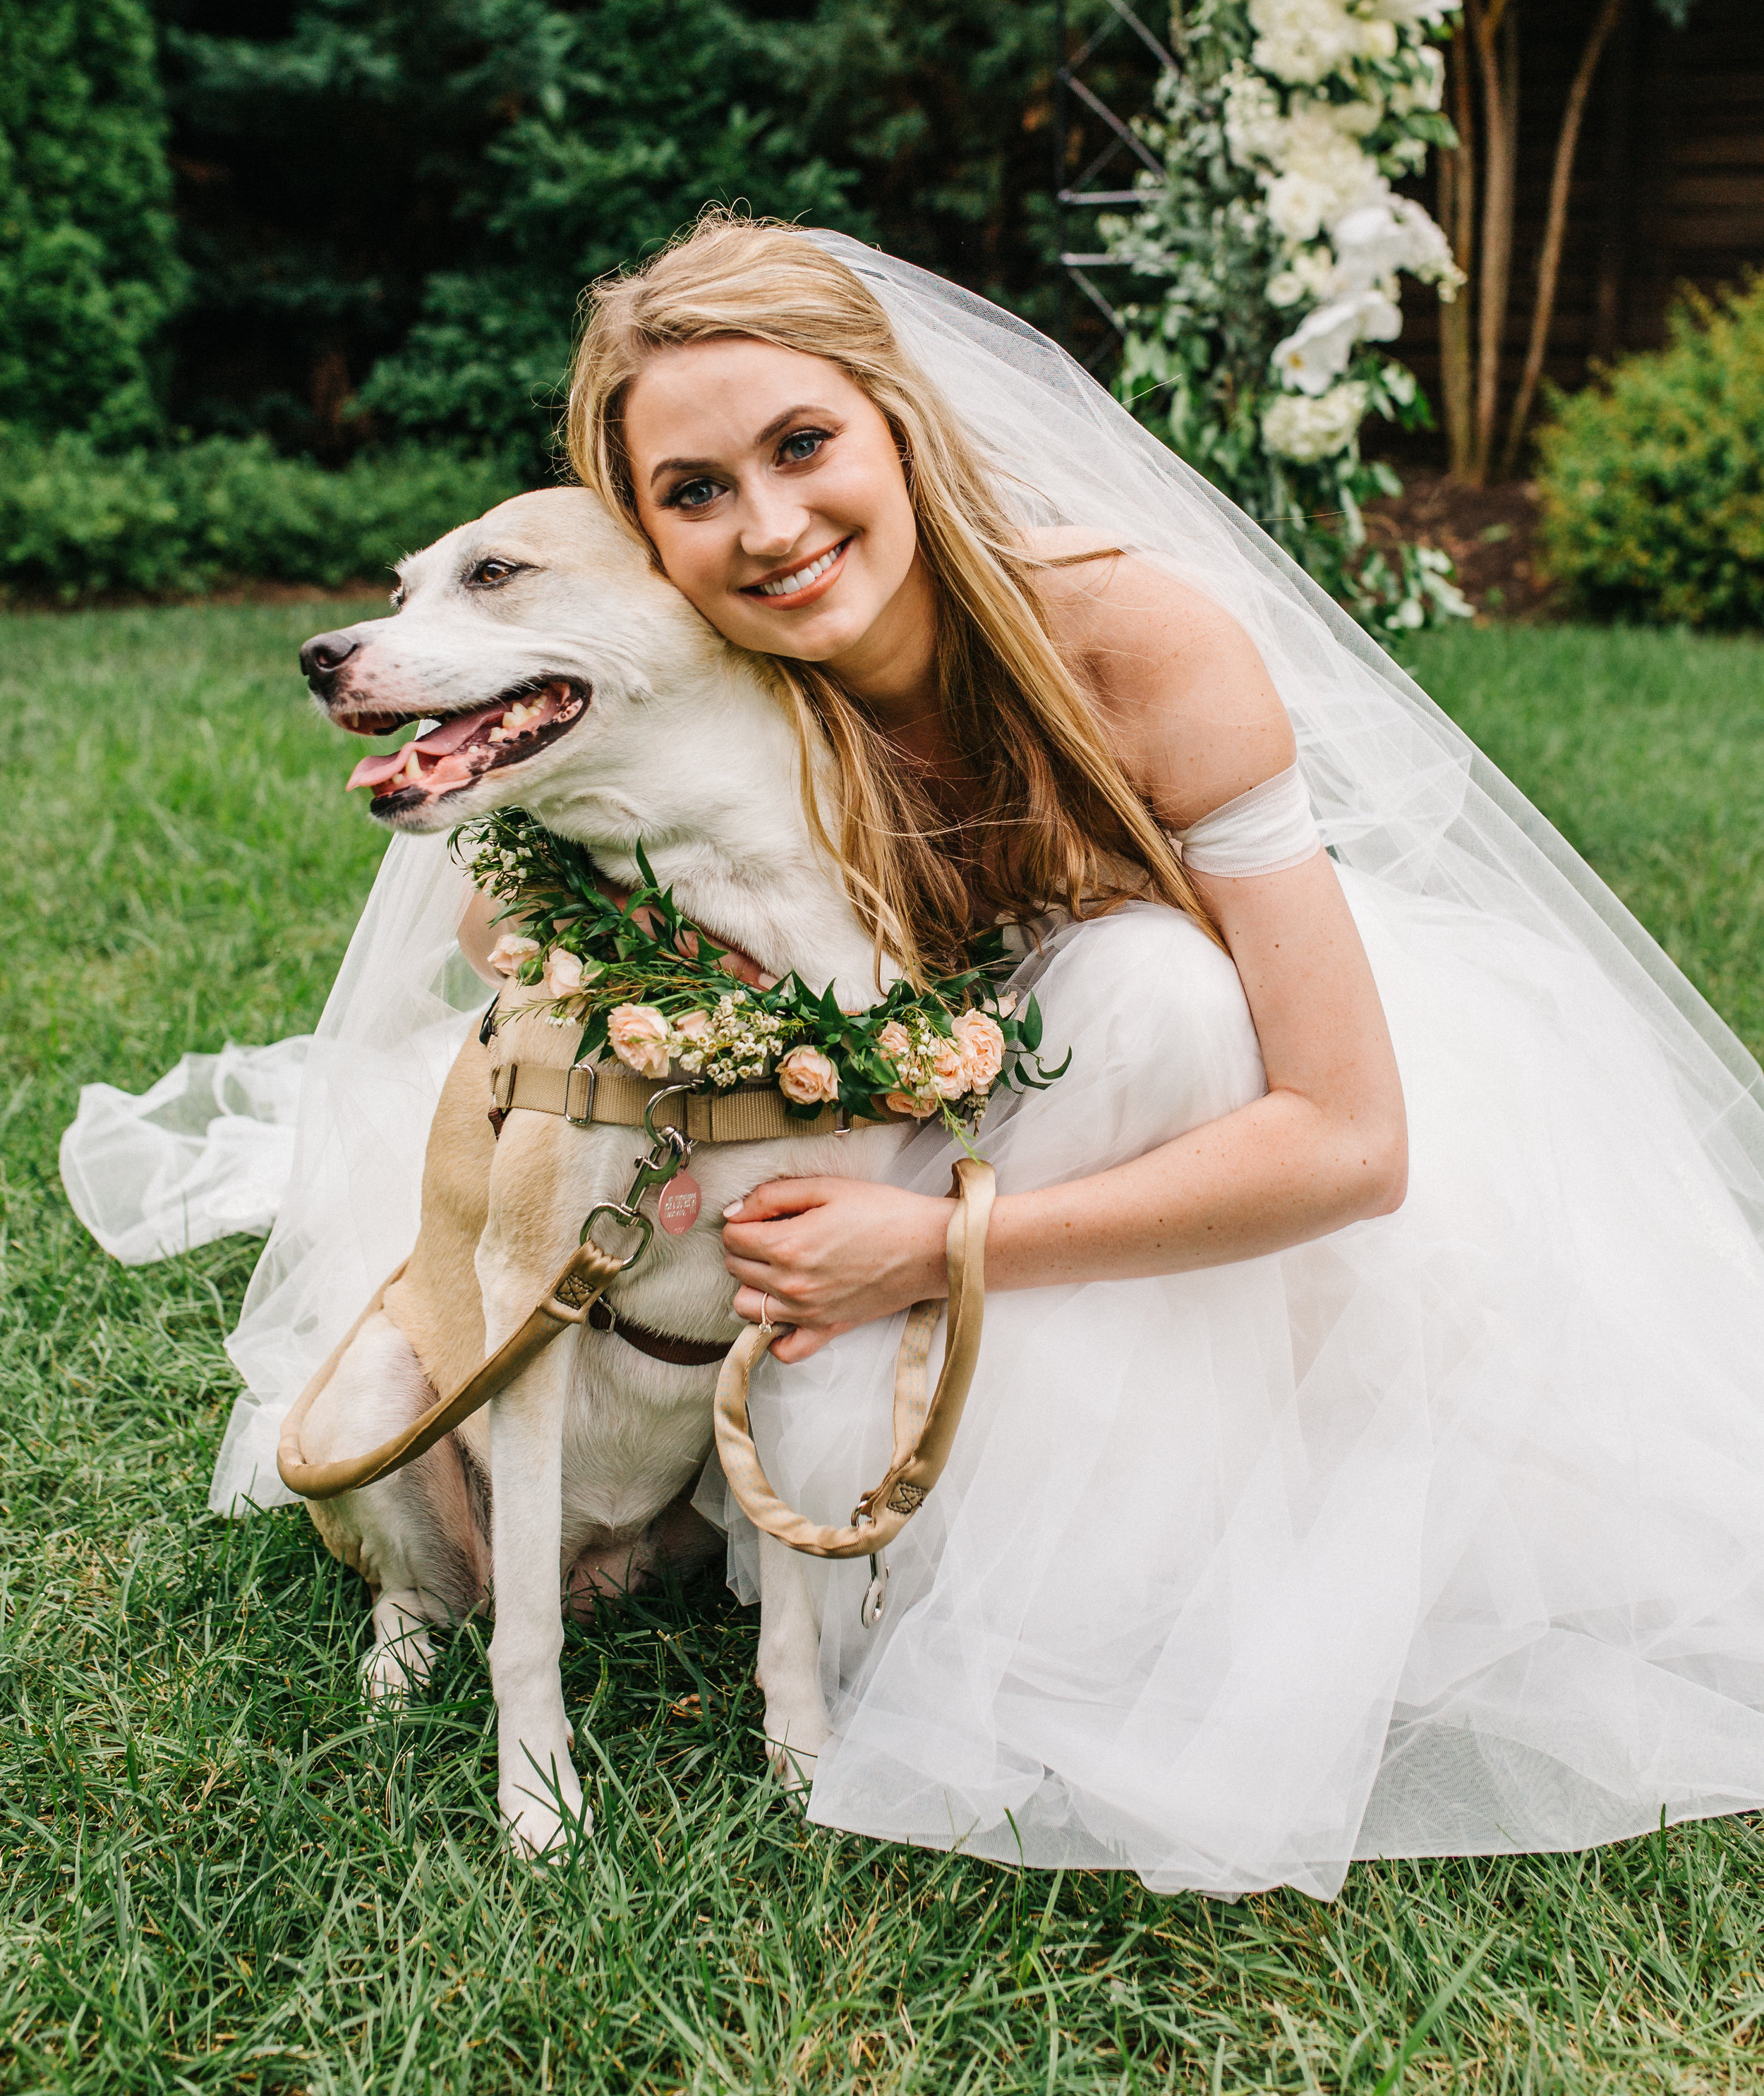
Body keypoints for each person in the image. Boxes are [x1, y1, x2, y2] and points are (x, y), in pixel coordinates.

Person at [62, 217, 1764, 1902]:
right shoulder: (706, 680)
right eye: (695, 491)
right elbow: (494, 932)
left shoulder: (1126, 640)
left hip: (1198, 1129)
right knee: (752, 1362)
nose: (769, 526)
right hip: (884, 1126)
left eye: (802, 444)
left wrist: (932, 1248)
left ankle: (1132, 1527)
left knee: (1155, 988)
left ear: (898, 420)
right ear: (642, 550)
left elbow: (1346, 1141)